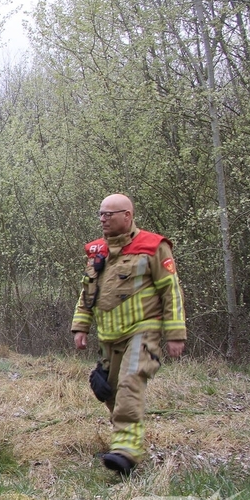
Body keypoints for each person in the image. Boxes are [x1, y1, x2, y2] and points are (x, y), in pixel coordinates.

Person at [72, 194, 186, 476]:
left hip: (142, 332)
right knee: (108, 391)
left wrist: (175, 334)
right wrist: (81, 326)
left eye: (109, 214)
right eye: (100, 214)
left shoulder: (153, 247)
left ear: (128, 216)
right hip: (108, 336)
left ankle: (125, 451)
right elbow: (88, 293)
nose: (103, 219)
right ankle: (126, 443)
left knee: (129, 385)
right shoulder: (97, 252)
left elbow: (171, 292)